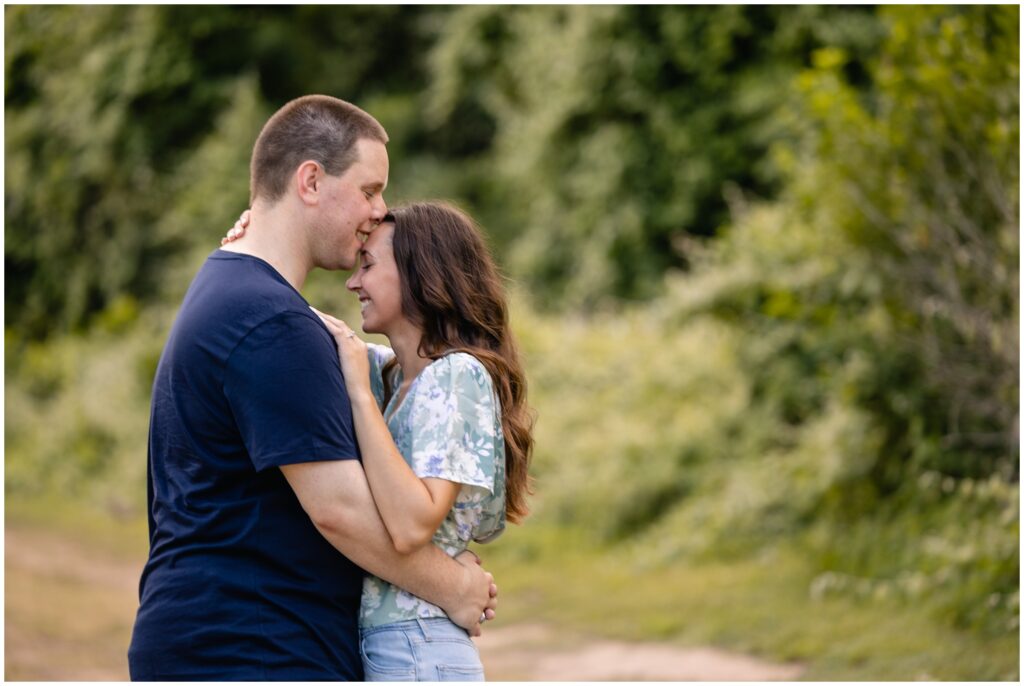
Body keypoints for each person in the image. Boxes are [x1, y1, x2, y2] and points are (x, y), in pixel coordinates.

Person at [127, 95, 497, 681]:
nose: (378, 212)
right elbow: (340, 512)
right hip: (253, 648)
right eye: (369, 190)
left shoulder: (232, 287)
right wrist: (455, 585)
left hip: (231, 639)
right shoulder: (270, 322)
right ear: (310, 181)